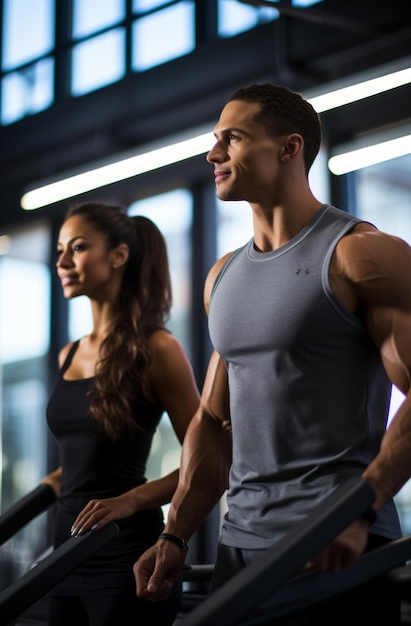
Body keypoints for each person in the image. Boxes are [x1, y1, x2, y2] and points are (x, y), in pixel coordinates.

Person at [133, 83, 411, 624]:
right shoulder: (223, 278)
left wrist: (361, 509)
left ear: (289, 148)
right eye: (215, 141)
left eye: (231, 140)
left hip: (336, 537)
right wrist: (175, 533)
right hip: (241, 545)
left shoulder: (360, 254)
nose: (213, 154)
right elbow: (212, 421)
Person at [41, 201, 200, 626]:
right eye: (60, 250)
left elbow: (207, 457)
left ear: (118, 255)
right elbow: (86, 452)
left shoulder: (158, 348)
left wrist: (130, 500)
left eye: (76, 248)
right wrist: (59, 479)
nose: (62, 261)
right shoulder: (68, 354)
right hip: (63, 551)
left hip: (123, 555)